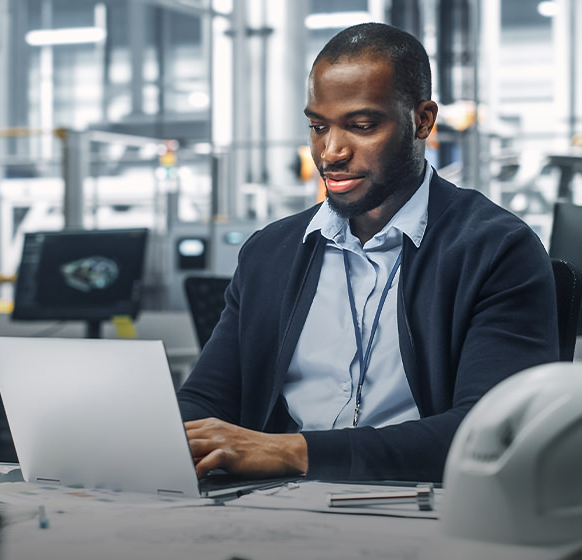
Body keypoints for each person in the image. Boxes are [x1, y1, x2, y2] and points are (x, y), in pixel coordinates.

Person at [177, 22, 559, 482]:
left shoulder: (495, 250)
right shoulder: (269, 254)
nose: (331, 152)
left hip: (420, 510)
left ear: (423, 120)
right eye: (318, 127)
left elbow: (491, 431)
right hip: (275, 508)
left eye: (361, 126)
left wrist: (294, 452)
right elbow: (207, 400)